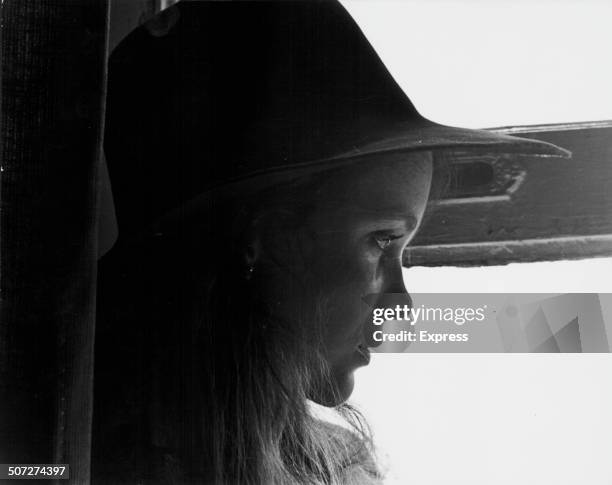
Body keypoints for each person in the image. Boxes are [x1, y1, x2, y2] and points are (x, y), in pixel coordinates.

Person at [91, 1, 568, 484]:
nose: (401, 307)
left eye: (403, 251)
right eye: (382, 241)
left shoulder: (341, 469)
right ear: (259, 241)